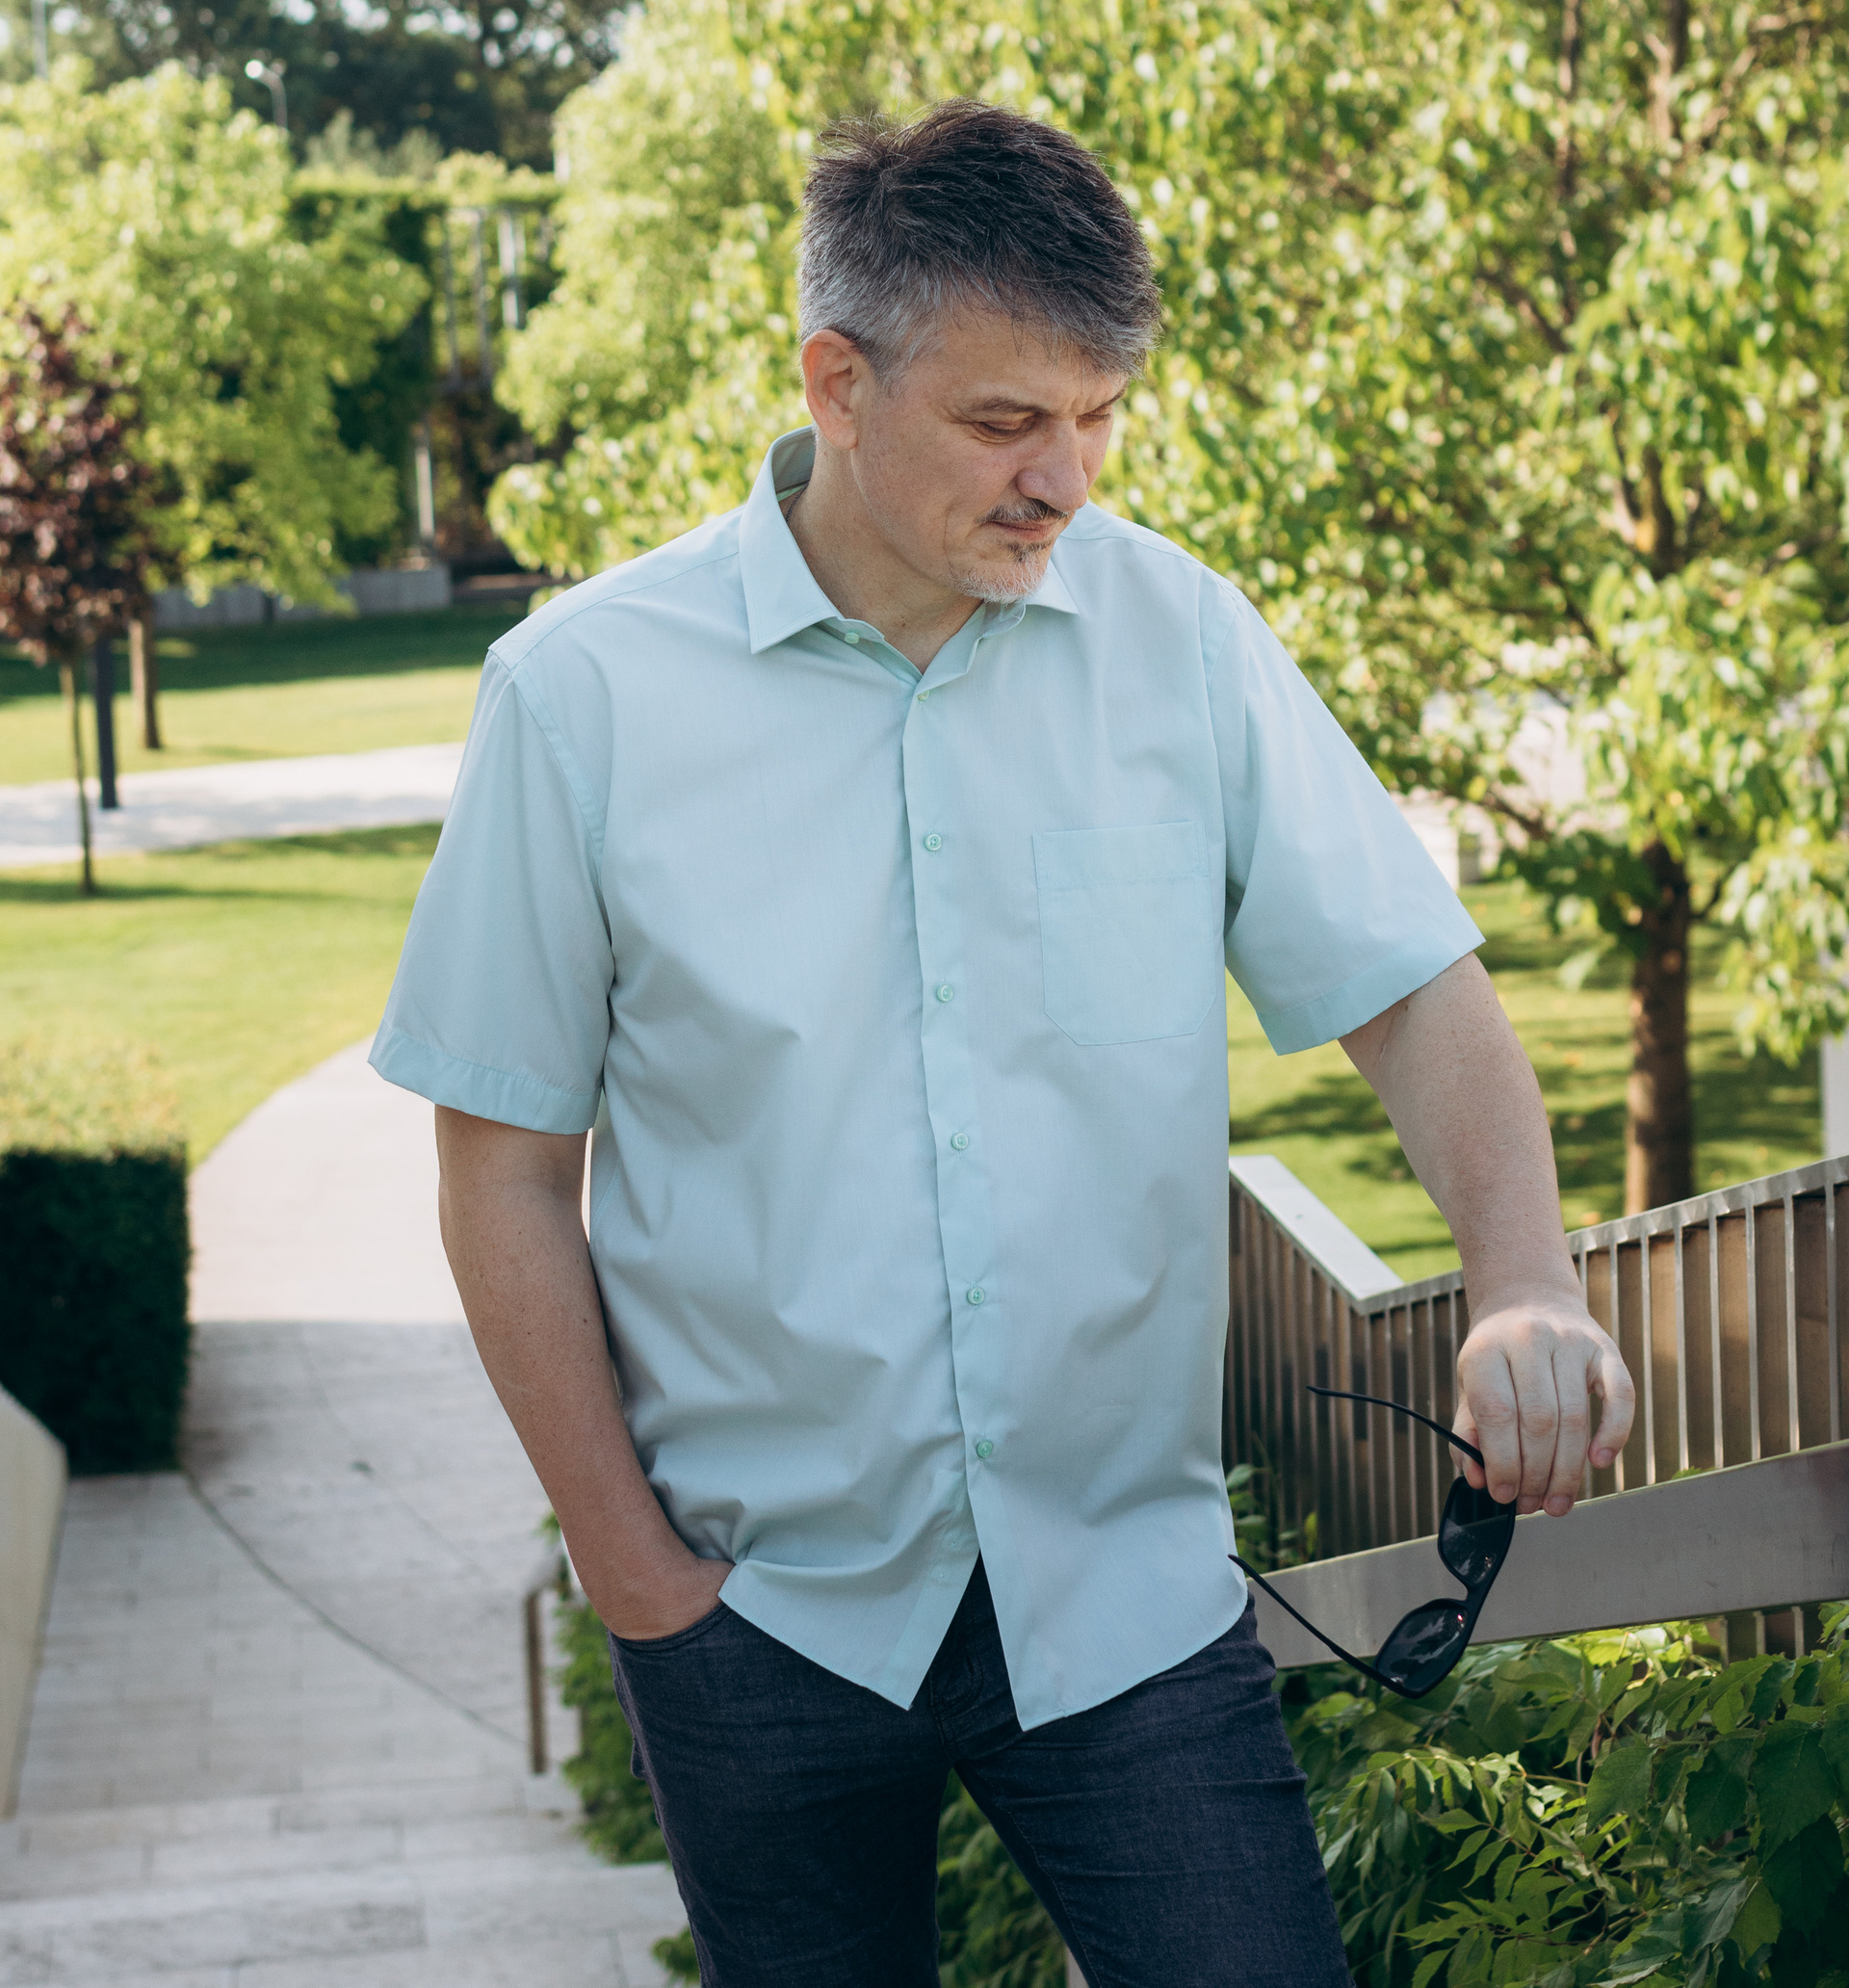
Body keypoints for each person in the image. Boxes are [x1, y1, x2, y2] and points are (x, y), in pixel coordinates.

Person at [374, 100, 1635, 1987]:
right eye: (1004, 422)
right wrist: (637, 1580)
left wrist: (1525, 1282)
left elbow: (1414, 988)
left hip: (1125, 1603)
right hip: (758, 1618)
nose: (1065, 479)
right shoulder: (581, 696)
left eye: (1101, 414)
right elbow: (502, 1171)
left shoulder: (1180, 638)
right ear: (839, 382)